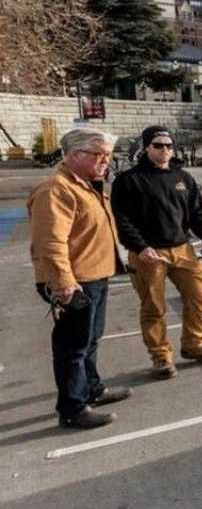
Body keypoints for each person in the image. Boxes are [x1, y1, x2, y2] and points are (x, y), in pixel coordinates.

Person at [27, 128, 131, 429]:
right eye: (98, 155)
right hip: (75, 282)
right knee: (72, 347)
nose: (105, 161)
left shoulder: (88, 185)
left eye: (108, 155)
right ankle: (72, 407)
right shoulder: (56, 189)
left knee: (90, 339)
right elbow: (50, 243)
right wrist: (64, 285)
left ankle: (92, 389)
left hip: (95, 275)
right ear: (74, 155)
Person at [111, 126, 202, 379]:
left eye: (169, 146)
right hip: (148, 254)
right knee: (153, 307)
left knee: (199, 298)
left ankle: (194, 345)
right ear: (146, 147)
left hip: (182, 248)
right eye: (158, 145)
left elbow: (197, 212)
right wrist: (140, 248)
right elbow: (123, 220)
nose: (164, 150)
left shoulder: (183, 177)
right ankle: (161, 358)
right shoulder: (129, 180)